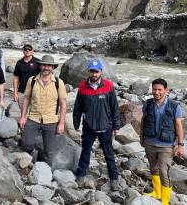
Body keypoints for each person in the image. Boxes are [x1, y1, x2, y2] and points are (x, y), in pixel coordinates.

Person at [73, 59, 121, 191]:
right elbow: (78, 107)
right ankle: (81, 174)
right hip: (89, 126)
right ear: (89, 72)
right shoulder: (82, 86)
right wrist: (76, 124)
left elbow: (114, 107)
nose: (94, 74)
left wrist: (116, 126)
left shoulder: (108, 86)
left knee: (109, 153)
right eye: (92, 71)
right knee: (85, 151)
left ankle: (114, 178)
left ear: (101, 72)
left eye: (96, 71)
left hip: (106, 126)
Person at [139, 78, 184, 205]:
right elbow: (143, 121)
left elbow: (179, 126)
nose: (156, 92)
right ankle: (157, 192)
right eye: (154, 89)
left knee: (164, 172)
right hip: (150, 142)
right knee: (153, 168)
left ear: (166, 90)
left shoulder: (175, 106)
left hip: (166, 145)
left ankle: (164, 201)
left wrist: (180, 145)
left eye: (160, 90)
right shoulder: (147, 104)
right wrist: (141, 137)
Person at [19, 55, 67, 166]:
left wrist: (61, 123)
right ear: (40, 66)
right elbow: (26, 99)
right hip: (33, 118)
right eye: (44, 65)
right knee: (26, 143)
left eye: (49, 65)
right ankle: (31, 158)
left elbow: (63, 104)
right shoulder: (32, 81)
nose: (46, 67)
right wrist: (22, 117)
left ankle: (47, 173)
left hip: (51, 120)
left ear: (52, 68)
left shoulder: (58, 83)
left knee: (49, 151)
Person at [13, 44, 40, 108]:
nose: (27, 50)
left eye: (29, 49)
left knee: (33, 113)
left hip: (35, 92)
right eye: (25, 49)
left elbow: (44, 76)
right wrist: (15, 93)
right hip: (22, 92)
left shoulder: (38, 62)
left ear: (32, 51)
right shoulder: (19, 63)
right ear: (23, 51)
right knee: (23, 112)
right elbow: (16, 78)